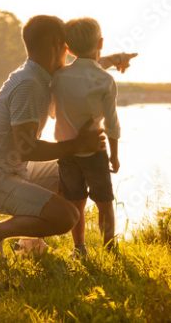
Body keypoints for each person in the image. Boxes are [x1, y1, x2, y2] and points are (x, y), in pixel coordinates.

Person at [0, 15, 136, 260]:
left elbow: (84, 71)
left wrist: (115, 59)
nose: (70, 52)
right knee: (66, 216)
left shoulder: (41, 74)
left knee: (70, 169)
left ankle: (28, 244)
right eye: (67, 46)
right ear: (57, 44)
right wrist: (77, 144)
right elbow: (26, 149)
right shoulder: (29, 85)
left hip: (11, 171)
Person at [52, 17, 120, 256]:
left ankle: (79, 247)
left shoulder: (58, 77)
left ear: (68, 49)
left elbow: (52, 111)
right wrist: (115, 156)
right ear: (100, 42)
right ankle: (110, 247)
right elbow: (112, 123)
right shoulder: (105, 80)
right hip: (95, 152)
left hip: (66, 151)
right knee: (104, 203)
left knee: (75, 203)